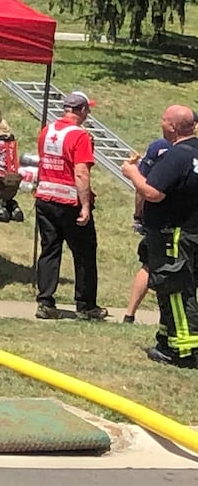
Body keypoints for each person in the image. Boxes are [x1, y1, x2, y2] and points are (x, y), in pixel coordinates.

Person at [121, 105, 198, 366]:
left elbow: (154, 192)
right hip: (190, 232)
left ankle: (183, 350)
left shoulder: (177, 156)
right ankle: (167, 340)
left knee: (175, 289)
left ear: (173, 127)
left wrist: (132, 173)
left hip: (173, 235)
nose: (160, 124)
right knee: (172, 289)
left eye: (163, 120)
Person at [34, 91, 106, 320]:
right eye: (88, 109)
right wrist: (85, 206)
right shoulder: (80, 136)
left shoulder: (48, 131)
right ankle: (86, 305)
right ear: (82, 110)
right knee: (84, 252)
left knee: (49, 249)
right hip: (69, 201)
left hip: (45, 197)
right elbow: (81, 172)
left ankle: (45, 301)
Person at [124, 134, 173, 323]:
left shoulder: (158, 147)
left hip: (157, 220)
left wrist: (139, 215)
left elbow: (142, 186)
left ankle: (130, 314)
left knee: (148, 265)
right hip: (186, 221)